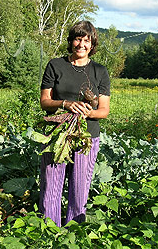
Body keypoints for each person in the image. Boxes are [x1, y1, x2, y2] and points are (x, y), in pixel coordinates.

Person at [39, 20, 111, 227]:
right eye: (78, 39)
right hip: (57, 134)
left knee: (79, 189)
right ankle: (50, 232)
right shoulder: (56, 65)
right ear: (71, 42)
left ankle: (73, 233)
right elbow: (45, 102)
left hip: (86, 138)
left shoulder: (99, 71)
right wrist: (65, 104)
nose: (81, 44)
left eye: (86, 40)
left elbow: (104, 111)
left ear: (92, 44)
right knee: (51, 187)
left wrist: (89, 112)